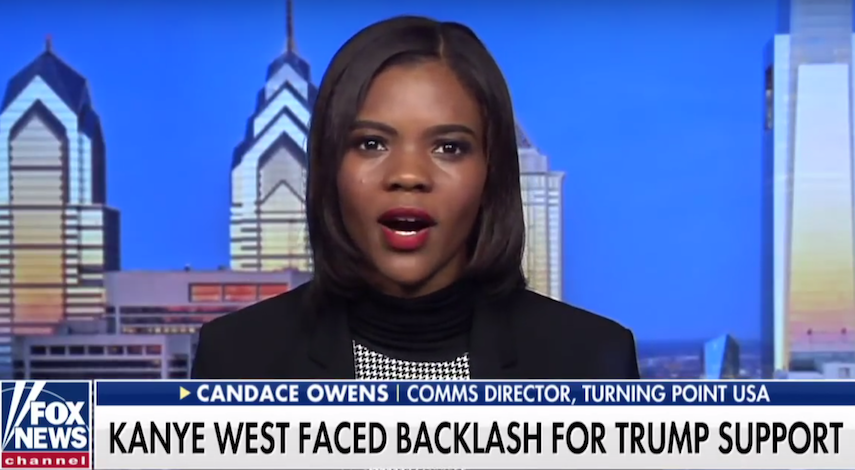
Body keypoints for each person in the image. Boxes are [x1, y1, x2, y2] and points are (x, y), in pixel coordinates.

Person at [191, 16, 640, 380]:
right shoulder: (237, 358)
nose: (408, 175)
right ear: (330, 167)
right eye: (371, 143)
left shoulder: (592, 361)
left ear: (492, 171)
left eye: (449, 147)